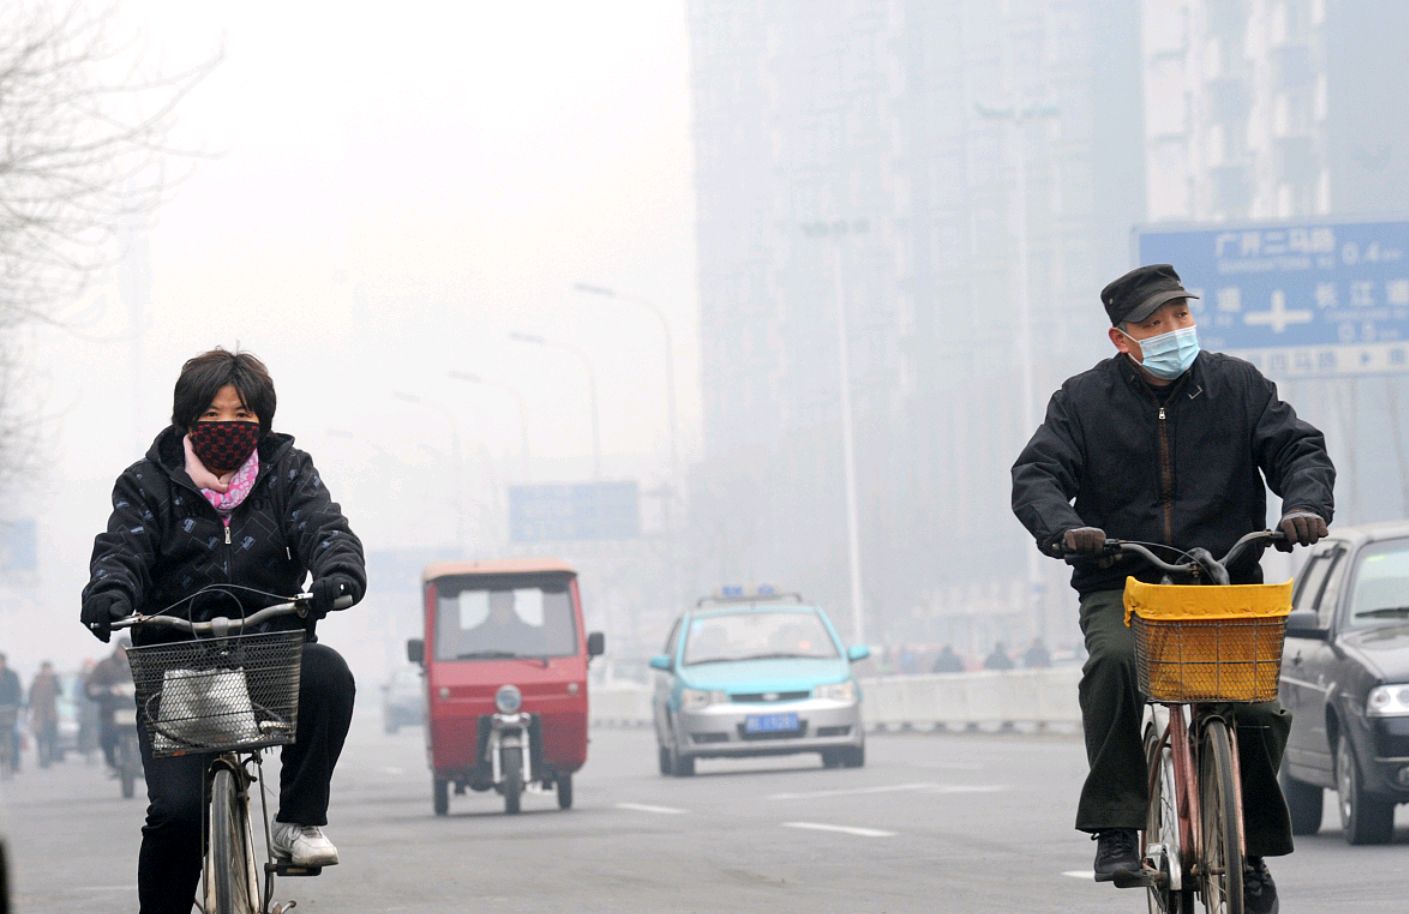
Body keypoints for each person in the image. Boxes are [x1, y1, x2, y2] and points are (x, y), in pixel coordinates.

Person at [1011, 264, 1334, 914]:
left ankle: (1248, 851)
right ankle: (1114, 824)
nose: (1171, 331)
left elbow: (1299, 450)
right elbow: (1037, 475)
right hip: (1123, 582)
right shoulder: (1079, 401)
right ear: (1119, 338)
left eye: (1179, 317)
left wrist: (1302, 505)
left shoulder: (1238, 386)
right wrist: (1068, 528)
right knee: (1113, 662)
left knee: (1257, 712)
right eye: (1153, 324)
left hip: (1221, 579)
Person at [79, 348, 366, 914]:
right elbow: (122, 551)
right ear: (186, 419)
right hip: (175, 671)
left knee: (329, 672)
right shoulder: (146, 484)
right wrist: (109, 592)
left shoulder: (289, 473)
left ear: (262, 419)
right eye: (210, 416)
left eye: (240, 415)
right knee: (175, 816)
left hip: (270, 654)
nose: (226, 427)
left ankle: (298, 823)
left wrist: (338, 572)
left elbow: (325, 528)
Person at [85, 638, 133, 772]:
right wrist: (108, 691)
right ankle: (111, 763)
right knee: (106, 737)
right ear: (117, 650)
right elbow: (91, 686)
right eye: (122, 651)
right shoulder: (104, 666)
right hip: (110, 712)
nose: (124, 654)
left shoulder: (138, 664)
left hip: (135, 711)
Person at [466, 590, 543, 655]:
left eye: (505, 606)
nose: (501, 611)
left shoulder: (531, 635)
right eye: (497, 606)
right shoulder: (474, 636)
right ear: (490, 607)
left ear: (512, 607)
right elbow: (465, 665)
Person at [27, 661, 60, 768]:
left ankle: (49, 758)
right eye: (45, 669)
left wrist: (55, 680)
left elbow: (60, 691)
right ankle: (41, 758)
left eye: (48, 669)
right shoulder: (36, 682)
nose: (47, 671)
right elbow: (30, 697)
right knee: (40, 738)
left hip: (51, 715)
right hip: (39, 715)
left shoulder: (54, 681)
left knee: (51, 738)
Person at [0, 653, 21, 772]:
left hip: (9, 713)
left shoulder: (12, 676)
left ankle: (15, 763)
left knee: (15, 736)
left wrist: (16, 705)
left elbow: (18, 693)